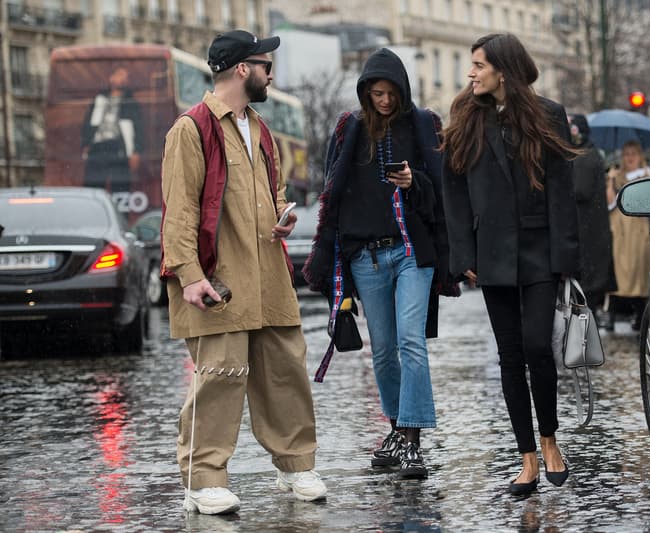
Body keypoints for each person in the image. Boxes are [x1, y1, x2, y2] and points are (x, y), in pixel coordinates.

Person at [161, 29, 327, 515]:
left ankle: (296, 465)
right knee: (220, 376)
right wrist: (190, 277)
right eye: (265, 64)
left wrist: (283, 214)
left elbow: (270, 194)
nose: (271, 73)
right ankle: (202, 479)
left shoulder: (262, 129)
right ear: (241, 69)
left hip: (269, 280)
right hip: (218, 281)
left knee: (285, 373)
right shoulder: (190, 129)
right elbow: (180, 211)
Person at [303, 48, 455, 479]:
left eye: (390, 93)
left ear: (402, 92)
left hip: (411, 253)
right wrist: (336, 262)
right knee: (384, 352)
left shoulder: (422, 126)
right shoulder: (350, 130)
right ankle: (396, 428)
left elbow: (441, 193)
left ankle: (411, 440)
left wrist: (414, 182)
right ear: (365, 93)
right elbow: (333, 194)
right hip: (366, 257)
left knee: (411, 342)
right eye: (376, 93)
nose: (384, 101)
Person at [441, 33, 579, 496]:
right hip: (492, 253)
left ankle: (550, 439)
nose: (471, 73)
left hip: (539, 249)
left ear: (504, 69)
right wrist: (464, 257)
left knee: (539, 346)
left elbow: (562, 189)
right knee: (509, 355)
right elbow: (454, 193)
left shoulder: (549, 115)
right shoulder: (465, 117)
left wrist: (565, 258)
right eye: (471, 64)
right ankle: (526, 457)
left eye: (479, 65)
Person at [568, 114, 616, 319]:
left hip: (587, 232)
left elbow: (580, 190)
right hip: (590, 232)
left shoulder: (585, 156)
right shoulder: (590, 153)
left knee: (587, 290)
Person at [605, 139, 650, 331]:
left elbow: (646, 203)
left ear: (639, 156)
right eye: (626, 154)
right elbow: (609, 203)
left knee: (639, 273)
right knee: (617, 273)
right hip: (620, 233)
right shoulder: (617, 176)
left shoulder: (646, 175)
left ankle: (640, 315)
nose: (630, 158)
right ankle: (612, 315)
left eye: (633, 154)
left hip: (638, 231)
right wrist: (610, 180)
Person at [81, 66, 142, 193]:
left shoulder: (131, 102)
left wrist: (136, 151)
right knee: (93, 186)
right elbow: (88, 123)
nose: (122, 79)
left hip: (118, 148)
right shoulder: (99, 99)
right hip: (97, 148)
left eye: (125, 77)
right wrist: (86, 143)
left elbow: (138, 128)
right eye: (119, 75)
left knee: (120, 188)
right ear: (111, 78)